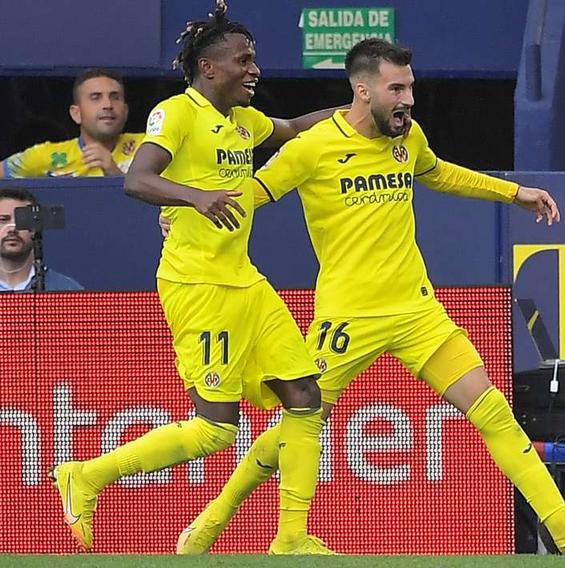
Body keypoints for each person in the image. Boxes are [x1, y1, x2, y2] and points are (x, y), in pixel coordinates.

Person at [169, 38, 565, 556]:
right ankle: (209, 523)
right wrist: (186, 213)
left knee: (493, 409)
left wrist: (512, 192)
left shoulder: (407, 139)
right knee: (294, 428)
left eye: (410, 87)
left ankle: (562, 525)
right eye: (397, 88)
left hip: (417, 312)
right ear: (362, 90)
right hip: (348, 318)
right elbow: (249, 194)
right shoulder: (311, 148)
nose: (409, 98)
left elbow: (440, 172)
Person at [50, 1, 343, 555]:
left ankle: (293, 537)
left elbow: (292, 128)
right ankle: (87, 475)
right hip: (198, 285)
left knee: (306, 395)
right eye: (244, 59)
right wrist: (197, 197)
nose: (254, 69)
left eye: (254, 59)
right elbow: (137, 180)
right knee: (215, 430)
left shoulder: (241, 121)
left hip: (246, 282)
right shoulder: (176, 113)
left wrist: (358, 109)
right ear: (209, 68)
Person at [1, 68, 144, 178]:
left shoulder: (149, 145)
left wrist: (113, 171)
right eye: (96, 97)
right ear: (76, 114)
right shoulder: (45, 156)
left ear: (125, 111)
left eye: (115, 97)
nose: (107, 104)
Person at [0, 187, 83, 292]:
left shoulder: (67, 290)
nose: (12, 228)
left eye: (22, 220)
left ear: (36, 228)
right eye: (3, 220)